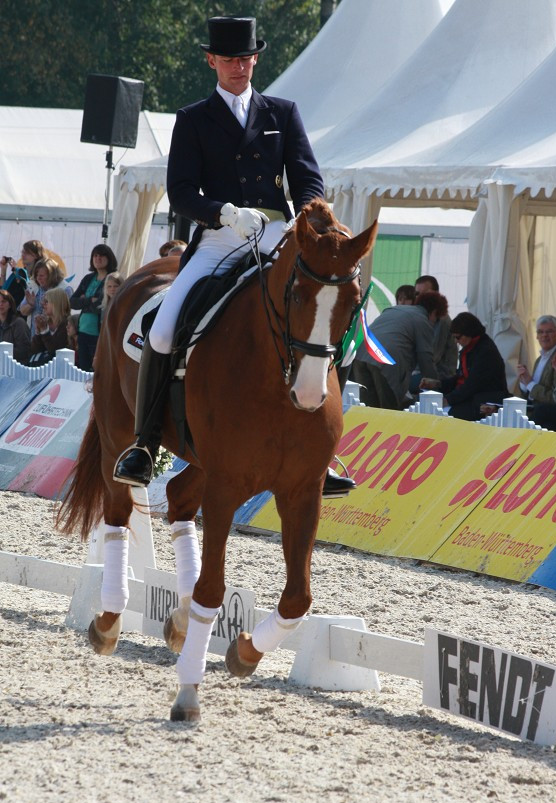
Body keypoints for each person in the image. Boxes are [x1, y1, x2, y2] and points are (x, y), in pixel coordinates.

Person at [114, 15, 349, 498]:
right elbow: (180, 192)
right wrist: (223, 212)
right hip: (221, 235)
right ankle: (145, 441)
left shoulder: (282, 112)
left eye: (245, 59)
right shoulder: (193, 118)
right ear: (211, 61)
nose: (238, 67)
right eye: (229, 60)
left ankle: (318, 449)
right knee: (161, 331)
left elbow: (307, 176)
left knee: (324, 311)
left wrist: (309, 215)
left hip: (279, 232)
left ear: (255, 59)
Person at [352, 292, 448, 410]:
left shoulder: (394, 309)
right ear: (434, 312)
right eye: (436, 319)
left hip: (361, 356)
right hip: (385, 361)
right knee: (389, 412)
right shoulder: (422, 320)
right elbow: (425, 356)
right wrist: (433, 383)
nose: (435, 323)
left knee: (368, 410)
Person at [420, 312, 510, 421]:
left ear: (469, 333)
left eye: (458, 337)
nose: (456, 342)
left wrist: (448, 400)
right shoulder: (469, 349)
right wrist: (437, 384)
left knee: (445, 415)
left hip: (482, 400)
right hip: (471, 397)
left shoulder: (485, 352)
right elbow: (460, 378)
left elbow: (472, 384)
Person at [70, 244, 118, 371]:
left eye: (102, 255)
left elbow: (101, 305)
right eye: (95, 256)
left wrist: (84, 300)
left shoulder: (112, 279)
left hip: (99, 333)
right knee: (84, 369)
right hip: (83, 331)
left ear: (109, 258)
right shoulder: (88, 278)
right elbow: (72, 302)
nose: (98, 258)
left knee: (98, 370)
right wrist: (89, 300)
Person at [516, 315, 556, 404]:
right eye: (540, 332)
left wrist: (529, 383)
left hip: (550, 415)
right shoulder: (539, 359)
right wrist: (524, 381)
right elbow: (532, 393)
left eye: (549, 331)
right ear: (537, 336)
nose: (544, 335)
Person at [415, 274, 457, 380]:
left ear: (436, 295)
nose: (420, 298)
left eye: (424, 294)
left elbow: (432, 357)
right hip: (423, 372)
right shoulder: (423, 316)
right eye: (417, 294)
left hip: (440, 376)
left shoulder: (441, 320)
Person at [19, 257, 72, 336]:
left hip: (56, 337)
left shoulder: (64, 289)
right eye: (36, 275)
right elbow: (22, 311)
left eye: (41, 276)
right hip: (35, 337)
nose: (38, 278)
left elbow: (65, 313)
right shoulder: (33, 286)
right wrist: (30, 305)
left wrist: (48, 310)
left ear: (52, 275)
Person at [28, 287, 70, 364]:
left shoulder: (66, 324)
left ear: (56, 303)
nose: (43, 304)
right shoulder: (45, 322)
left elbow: (55, 351)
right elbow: (34, 350)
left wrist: (44, 331)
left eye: (46, 302)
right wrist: (38, 331)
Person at [0, 289, 31, 364]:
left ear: (10, 304)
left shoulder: (19, 323)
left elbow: (23, 351)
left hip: (17, 368)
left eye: (3, 301)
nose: (0, 304)